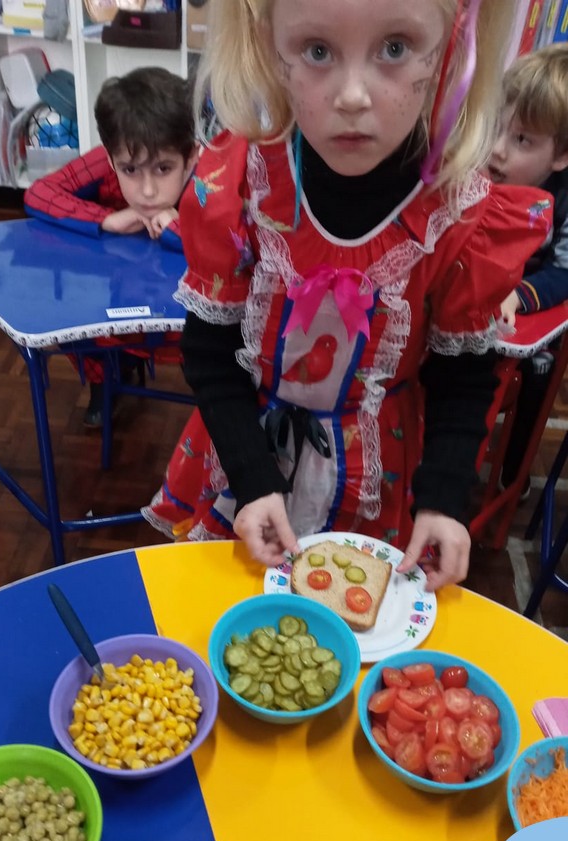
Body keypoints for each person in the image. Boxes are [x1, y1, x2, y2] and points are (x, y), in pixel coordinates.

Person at [143, 0, 552, 591]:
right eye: (317, 51)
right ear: (268, 43)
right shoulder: (240, 184)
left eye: (394, 48)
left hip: (376, 483)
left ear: (453, 44)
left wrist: (442, 501)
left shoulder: (458, 215)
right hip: (243, 461)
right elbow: (210, 353)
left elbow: (462, 377)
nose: (353, 97)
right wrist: (253, 479)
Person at [24, 66, 198, 427]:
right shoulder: (110, 158)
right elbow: (39, 193)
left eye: (164, 168)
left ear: (191, 158)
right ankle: (108, 377)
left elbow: (237, 243)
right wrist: (106, 219)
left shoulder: (211, 176)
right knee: (79, 323)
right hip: (120, 299)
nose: (147, 191)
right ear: (111, 160)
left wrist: (177, 228)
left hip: (188, 314)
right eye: (130, 170)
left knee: (211, 362)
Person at [485, 43, 568, 496]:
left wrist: (520, 295)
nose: (496, 151)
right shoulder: (479, 174)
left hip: (525, 318)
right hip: (468, 309)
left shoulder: (563, 201)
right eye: (496, 128)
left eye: (522, 140)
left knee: (538, 374)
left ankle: (512, 474)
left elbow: (564, 272)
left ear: (561, 155)